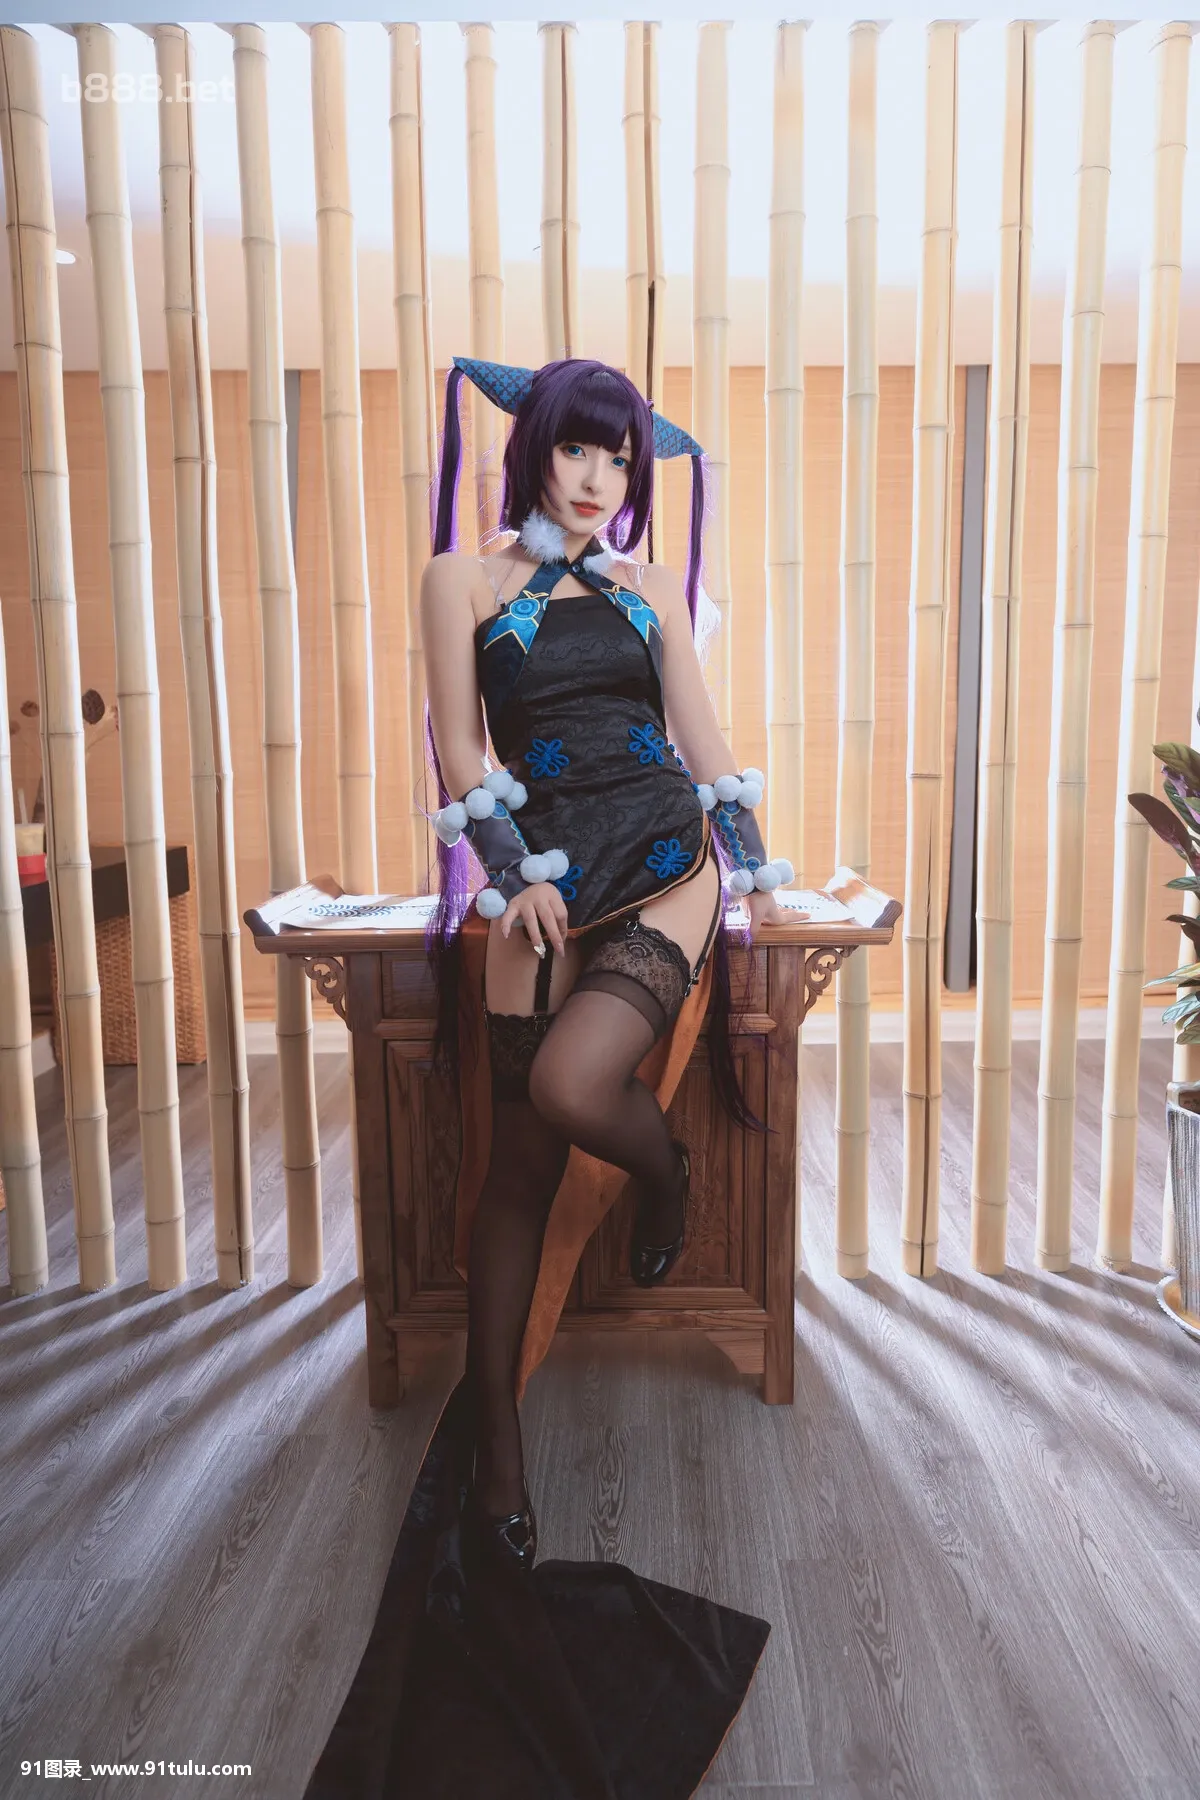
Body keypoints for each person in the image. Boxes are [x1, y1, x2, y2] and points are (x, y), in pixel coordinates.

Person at [421, 354, 798, 1572]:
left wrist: (758, 870)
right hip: (540, 878)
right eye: (577, 448)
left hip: (662, 857)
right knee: (515, 1176)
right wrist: (510, 871)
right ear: (533, 445)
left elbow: (706, 743)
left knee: (571, 1085)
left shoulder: (649, 593)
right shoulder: (461, 580)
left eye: (620, 458)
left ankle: (664, 1170)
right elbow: (460, 748)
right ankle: (499, 1457)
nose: (597, 478)